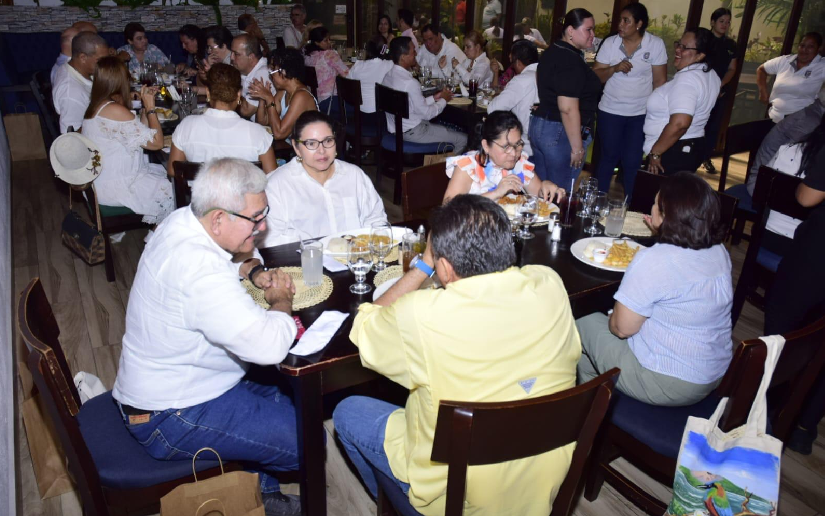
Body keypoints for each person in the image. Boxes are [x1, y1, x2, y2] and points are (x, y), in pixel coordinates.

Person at [332, 193, 581, 516]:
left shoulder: (421, 314)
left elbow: (364, 325)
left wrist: (423, 264)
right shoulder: (549, 283)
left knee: (348, 412)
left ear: (445, 268)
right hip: (541, 482)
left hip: (454, 497)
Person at [112, 157, 303, 516]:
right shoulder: (198, 271)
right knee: (307, 441)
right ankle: (257, 490)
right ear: (218, 219)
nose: (263, 226)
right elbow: (270, 346)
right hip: (168, 414)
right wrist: (281, 300)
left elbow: (225, 260)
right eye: (256, 218)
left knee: (293, 397)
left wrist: (251, 270)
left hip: (172, 385)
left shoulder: (181, 221)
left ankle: (260, 492)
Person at [577, 172, 732, 406]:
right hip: (715, 372)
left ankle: (583, 408)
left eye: (656, 204)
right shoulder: (719, 251)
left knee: (580, 317)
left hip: (667, 383)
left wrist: (612, 315)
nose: (651, 209)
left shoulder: (656, 259)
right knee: (597, 343)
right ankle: (591, 399)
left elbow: (621, 329)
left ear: (668, 216)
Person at [260, 111, 387, 246]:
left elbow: (376, 221)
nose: (322, 150)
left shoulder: (354, 176)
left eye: (328, 141)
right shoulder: (277, 185)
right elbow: (270, 241)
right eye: (311, 143)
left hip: (356, 255)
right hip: (303, 257)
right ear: (296, 147)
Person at [81, 57, 173, 225]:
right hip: (115, 187)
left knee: (166, 175)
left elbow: (141, 134)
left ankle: (160, 231)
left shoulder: (98, 105)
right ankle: (157, 237)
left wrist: (144, 107)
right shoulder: (115, 110)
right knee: (176, 191)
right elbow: (156, 143)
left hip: (102, 181)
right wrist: (151, 108)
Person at [593, 2, 667, 195]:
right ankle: (598, 201)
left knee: (632, 161)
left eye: (626, 21)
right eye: (620, 20)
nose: (620, 24)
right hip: (610, 111)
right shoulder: (611, 43)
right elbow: (597, 76)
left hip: (639, 114)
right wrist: (614, 68)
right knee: (608, 157)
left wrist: (656, 113)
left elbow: (660, 81)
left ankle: (630, 205)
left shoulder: (655, 44)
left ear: (639, 24)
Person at [530, 8, 601, 188]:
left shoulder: (552, 51)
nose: (593, 35)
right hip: (560, 131)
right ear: (570, 31)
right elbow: (567, 108)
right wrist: (577, 148)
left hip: (541, 125)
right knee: (558, 193)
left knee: (542, 191)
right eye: (588, 29)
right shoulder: (570, 59)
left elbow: (543, 84)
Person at [169, 64, 277, 176]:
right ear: (238, 95)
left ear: (208, 93)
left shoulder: (186, 126)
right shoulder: (258, 133)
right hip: (242, 188)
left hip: (199, 188)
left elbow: (173, 171)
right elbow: (272, 178)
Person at [644, 28, 721, 175]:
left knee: (658, 190)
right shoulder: (711, 75)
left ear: (700, 55)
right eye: (678, 44)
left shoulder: (688, 78)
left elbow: (680, 124)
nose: (678, 50)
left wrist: (656, 153)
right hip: (692, 147)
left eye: (684, 47)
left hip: (673, 151)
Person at [443, 111, 563, 202]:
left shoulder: (519, 163)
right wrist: (496, 193)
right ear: (486, 145)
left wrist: (546, 188)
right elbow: (449, 207)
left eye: (518, 144)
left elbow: (537, 195)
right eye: (506, 147)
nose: (514, 153)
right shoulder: (469, 166)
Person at [381, 37, 467, 154]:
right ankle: (447, 166)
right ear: (403, 57)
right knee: (463, 139)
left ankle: (438, 162)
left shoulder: (387, 77)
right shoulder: (410, 83)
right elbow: (427, 114)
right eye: (413, 51)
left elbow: (411, 105)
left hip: (396, 130)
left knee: (447, 129)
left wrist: (433, 98)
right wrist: (444, 100)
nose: (416, 54)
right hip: (414, 132)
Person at [746, 85, 825, 196]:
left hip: (780, 180)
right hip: (764, 186)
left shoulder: (814, 114)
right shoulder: (810, 121)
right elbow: (796, 169)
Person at [700, 8, 739, 174]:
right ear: (712, 22)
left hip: (720, 92)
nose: (725, 25)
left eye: (728, 22)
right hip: (700, 90)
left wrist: (719, 85)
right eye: (721, 21)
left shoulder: (731, 45)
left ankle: (705, 157)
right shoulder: (703, 39)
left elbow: (732, 68)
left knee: (713, 128)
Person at [250, 48, 319, 142]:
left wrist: (270, 99)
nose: (271, 76)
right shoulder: (283, 92)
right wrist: (262, 98)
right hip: (291, 145)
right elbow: (263, 122)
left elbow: (279, 134)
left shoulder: (302, 96)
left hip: (308, 148)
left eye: (272, 71)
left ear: (284, 72)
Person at [758, 32, 825, 123]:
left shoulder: (821, 66)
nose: (804, 50)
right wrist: (763, 91)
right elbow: (761, 70)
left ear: (819, 48)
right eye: (802, 45)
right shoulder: (784, 61)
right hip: (773, 118)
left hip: (800, 123)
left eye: (811, 47)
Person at [487, 40, 539, 155]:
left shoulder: (522, 79)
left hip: (525, 147)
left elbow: (493, 109)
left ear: (518, 63)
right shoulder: (547, 75)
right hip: (544, 143)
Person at [53, 31, 109, 134]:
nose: (105, 65)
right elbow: (71, 136)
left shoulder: (74, 67)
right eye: (100, 60)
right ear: (83, 58)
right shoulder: (71, 92)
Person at [303, 26, 349, 119]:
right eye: (325, 40)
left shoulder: (307, 56)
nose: (329, 42)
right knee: (362, 105)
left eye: (329, 39)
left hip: (314, 99)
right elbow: (347, 74)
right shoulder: (329, 54)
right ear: (317, 42)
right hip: (331, 100)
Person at [347, 40, 394, 126]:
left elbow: (348, 85)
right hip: (380, 116)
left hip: (358, 114)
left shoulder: (358, 65)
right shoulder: (389, 65)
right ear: (385, 50)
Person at [231, 34, 270, 118]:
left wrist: (228, 90)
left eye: (236, 54)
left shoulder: (263, 73)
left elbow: (246, 111)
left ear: (251, 57)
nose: (231, 57)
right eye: (231, 53)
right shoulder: (243, 70)